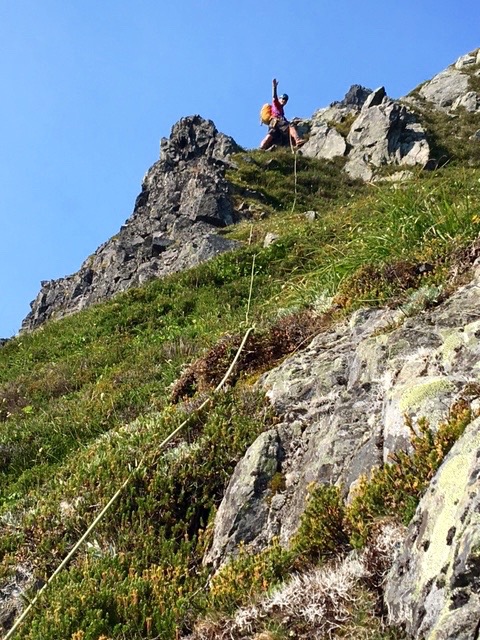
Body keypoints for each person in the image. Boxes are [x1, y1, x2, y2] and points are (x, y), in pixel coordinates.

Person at [260, 78, 305, 150]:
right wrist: (274, 87)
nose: (284, 100)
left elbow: (284, 120)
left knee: (270, 136)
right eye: (283, 98)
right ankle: (297, 140)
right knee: (291, 126)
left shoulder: (281, 110)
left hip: (274, 123)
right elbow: (274, 97)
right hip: (277, 121)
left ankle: (261, 148)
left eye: (286, 100)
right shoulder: (276, 104)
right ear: (280, 98)